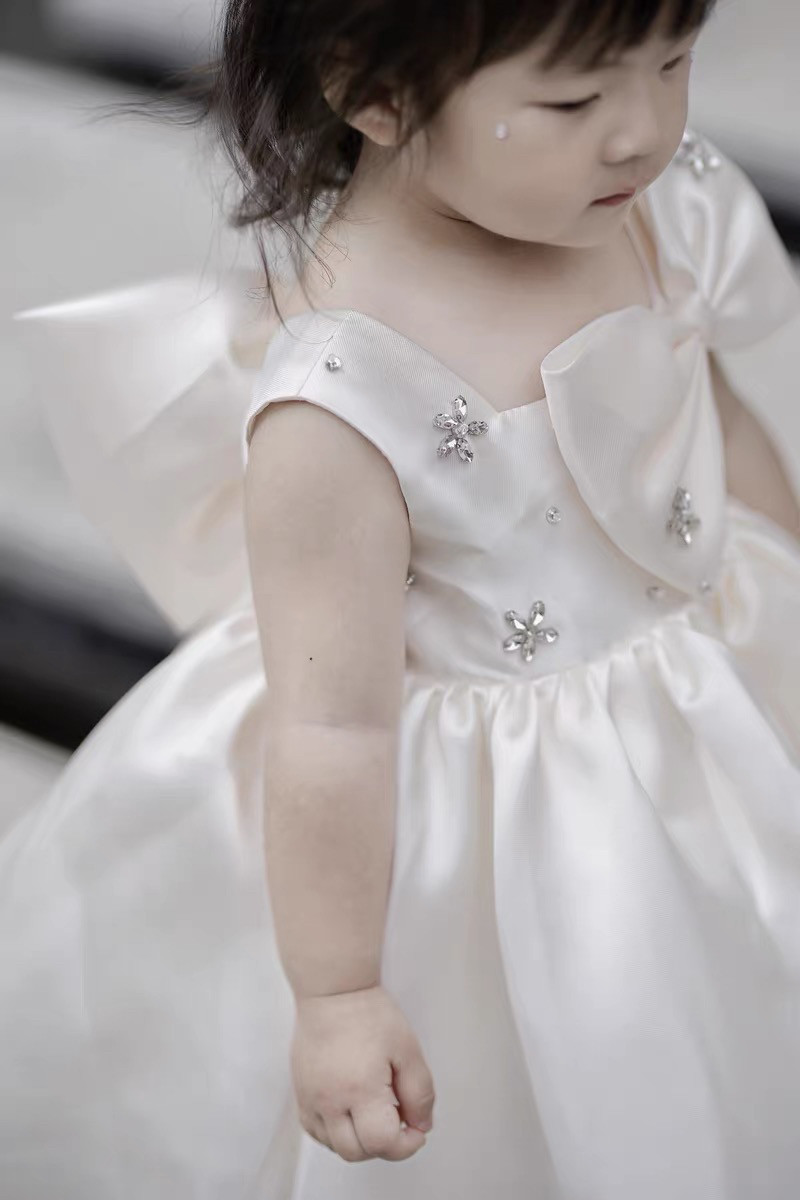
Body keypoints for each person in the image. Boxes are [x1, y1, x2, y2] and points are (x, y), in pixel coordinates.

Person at [6, 0, 800, 1196]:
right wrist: (338, 992)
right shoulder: (345, 396)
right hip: (514, 823)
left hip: (707, 694)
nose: (642, 128)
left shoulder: (650, 209)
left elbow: (719, 429)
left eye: (672, 60)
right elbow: (333, 728)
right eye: (573, 99)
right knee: (581, 1065)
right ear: (373, 94)